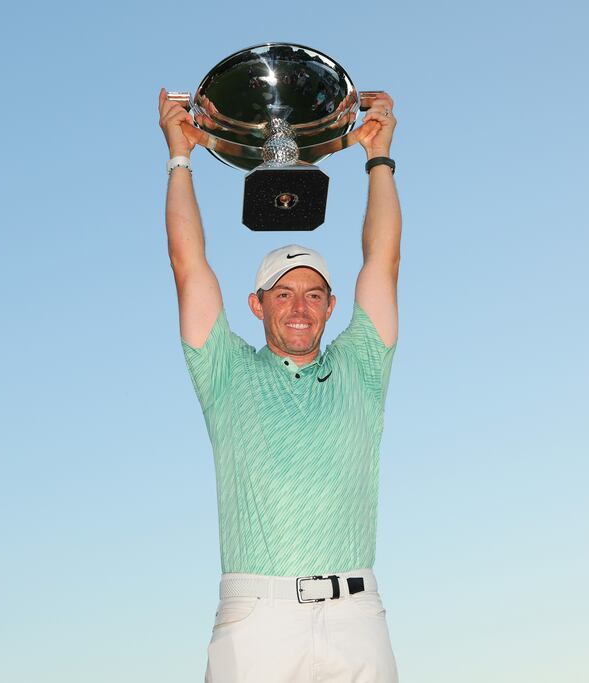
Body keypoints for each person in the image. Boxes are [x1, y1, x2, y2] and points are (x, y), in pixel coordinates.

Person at [158, 87, 402, 682]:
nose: (300, 307)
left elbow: (383, 260)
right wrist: (180, 158)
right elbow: (189, 267)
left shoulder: (362, 365)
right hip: (257, 618)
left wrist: (378, 160)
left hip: (356, 615)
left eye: (314, 294)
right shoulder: (226, 372)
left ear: (330, 306)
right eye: (284, 293)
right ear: (257, 304)